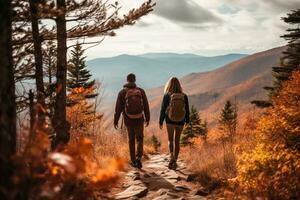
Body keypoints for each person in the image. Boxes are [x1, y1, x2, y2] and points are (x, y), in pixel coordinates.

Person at [114, 73, 150, 169]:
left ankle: (133, 160)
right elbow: (146, 105)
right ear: (135, 80)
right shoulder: (141, 91)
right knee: (140, 138)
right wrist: (148, 118)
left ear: (127, 80)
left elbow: (118, 109)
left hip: (128, 120)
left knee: (131, 140)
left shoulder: (122, 92)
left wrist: (116, 120)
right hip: (139, 119)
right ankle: (139, 157)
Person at [159, 77, 190, 170]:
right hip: (181, 121)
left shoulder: (167, 95)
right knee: (177, 141)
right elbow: (187, 110)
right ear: (179, 85)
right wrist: (187, 120)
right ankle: (175, 161)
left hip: (169, 121)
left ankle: (171, 156)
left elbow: (163, 109)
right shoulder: (184, 96)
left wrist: (160, 121)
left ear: (169, 85)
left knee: (170, 140)